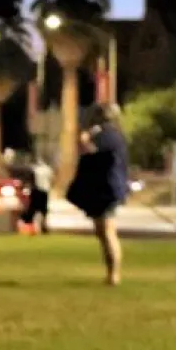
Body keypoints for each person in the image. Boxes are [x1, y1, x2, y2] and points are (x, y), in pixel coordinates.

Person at [66, 103, 130, 286]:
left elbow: (90, 149)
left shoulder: (107, 134)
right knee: (102, 231)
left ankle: (113, 275)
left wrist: (84, 138)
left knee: (107, 230)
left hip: (106, 189)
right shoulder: (114, 135)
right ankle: (111, 273)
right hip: (105, 188)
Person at [22, 156, 53, 234]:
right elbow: (52, 179)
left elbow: (31, 180)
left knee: (32, 209)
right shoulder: (48, 169)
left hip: (36, 190)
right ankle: (44, 227)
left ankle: (30, 228)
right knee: (44, 210)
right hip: (45, 191)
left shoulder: (35, 169)